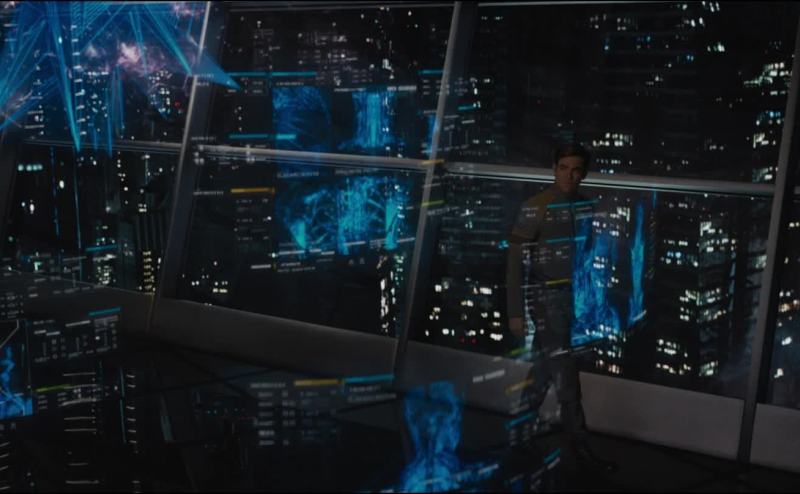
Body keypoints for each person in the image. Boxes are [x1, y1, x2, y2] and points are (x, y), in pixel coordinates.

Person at [506, 142, 617, 474]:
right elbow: (514, 262)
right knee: (566, 374)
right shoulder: (535, 206)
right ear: (554, 169)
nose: (570, 175)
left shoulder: (585, 206)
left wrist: (589, 300)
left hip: (572, 299)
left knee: (543, 370)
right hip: (545, 298)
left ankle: (519, 435)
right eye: (564, 168)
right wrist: (515, 312)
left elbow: (585, 257)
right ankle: (578, 445)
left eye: (576, 169)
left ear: (584, 174)